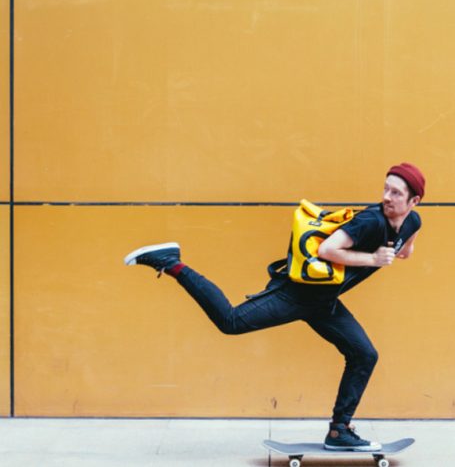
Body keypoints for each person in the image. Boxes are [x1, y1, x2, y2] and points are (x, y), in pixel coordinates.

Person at [124, 162, 425, 451]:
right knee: (230, 321)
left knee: (364, 355)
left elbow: (406, 249)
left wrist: (399, 248)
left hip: (324, 301)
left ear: (415, 201)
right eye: (386, 189)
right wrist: (372, 259)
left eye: (396, 193)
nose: (386, 197)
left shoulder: (412, 220)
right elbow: (327, 249)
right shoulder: (370, 220)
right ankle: (172, 262)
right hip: (296, 294)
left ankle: (340, 431)